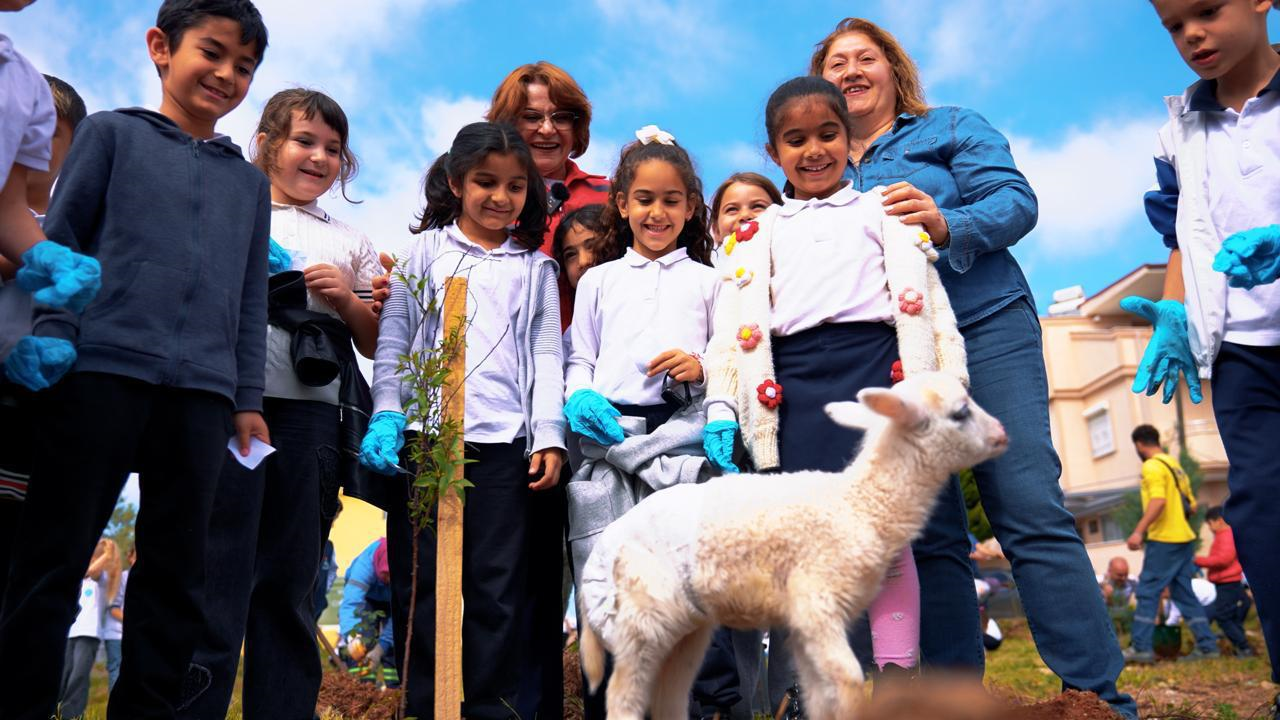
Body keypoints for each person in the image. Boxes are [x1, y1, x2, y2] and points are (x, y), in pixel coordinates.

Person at [810, 17, 1134, 718]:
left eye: (866, 57)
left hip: (985, 325)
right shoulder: (817, 165)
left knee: (1028, 505)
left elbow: (1016, 202)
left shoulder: (950, 128)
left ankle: (1097, 695)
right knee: (928, 533)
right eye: (836, 63)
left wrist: (946, 220)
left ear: (894, 70)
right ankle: (954, 702)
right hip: (896, 352)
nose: (852, 70)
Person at [0, 1, 271, 717]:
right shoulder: (110, 134)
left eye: (244, 66)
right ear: (160, 46)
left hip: (203, 397)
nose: (226, 74)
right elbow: (64, 237)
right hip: (99, 372)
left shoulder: (248, 183)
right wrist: (55, 329)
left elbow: (250, 299)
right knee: (52, 556)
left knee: (178, 575)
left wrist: (246, 398)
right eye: (210, 52)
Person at [702, 75, 963, 709]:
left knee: (886, 534)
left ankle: (897, 679)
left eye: (828, 135)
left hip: (878, 373)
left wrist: (948, 390)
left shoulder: (886, 211)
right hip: (791, 388)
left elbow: (934, 311)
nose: (814, 150)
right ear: (773, 153)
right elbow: (727, 338)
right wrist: (719, 405)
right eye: (796, 140)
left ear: (851, 141)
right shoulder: (755, 235)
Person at [181, 88, 381, 720]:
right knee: (216, 571)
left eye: (333, 149)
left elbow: (379, 340)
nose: (318, 157)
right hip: (227, 404)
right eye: (304, 141)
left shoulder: (349, 239)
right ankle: (192, 708)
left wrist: (347, 301)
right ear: (265, 143)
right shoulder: (228, 208)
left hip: (312, 419)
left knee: (292, 580)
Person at [361, 121, 565, 718]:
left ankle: (490, 709)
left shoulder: (536, 270)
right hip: (428, 441)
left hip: (505, 446)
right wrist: (389, 414)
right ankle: (425, 707)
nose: (500, 197)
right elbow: (395, 341)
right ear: (455, 182)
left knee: (496, 588)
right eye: (484, 182)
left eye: (515, 186)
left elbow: (548, 356)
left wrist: (548, 434)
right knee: (423, 585)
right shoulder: (422, 255)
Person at [1136, 1, 1280, 711]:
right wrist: (1172, 310)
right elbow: (1180, 237)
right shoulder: (1177, 132)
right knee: (1263, 509)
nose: (1191, 34)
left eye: (1206, 10)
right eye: (1172, 25)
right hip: (1245, 350)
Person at [562, 127, 725, 718]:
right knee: (609, 594)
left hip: (680, 442)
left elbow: (728, 357)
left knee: (687, 591)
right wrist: (580, 396)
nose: (658, 212)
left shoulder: (711, 282)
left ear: (690, 208)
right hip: (607, 443)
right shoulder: (601, 280)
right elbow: (579, 357)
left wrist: (701, 365)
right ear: (623, 204)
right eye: (645, 199)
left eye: (672, 200)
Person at [486, 63, 606, 718]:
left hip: (602, 415)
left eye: (560, 115)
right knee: (527, 583)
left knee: (606, 580)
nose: (546, 127)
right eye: (531, 115)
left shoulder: (611, 196)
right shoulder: (488, 199)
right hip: (514, 417)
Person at [0, 73, 86, 606]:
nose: (30, 140)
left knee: (25, 554)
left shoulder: (74, 224)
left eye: (47, 131)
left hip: (43, 411)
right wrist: (26, 256)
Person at [0, 3, 99, 305]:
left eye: (41, 133)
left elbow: (7, 208)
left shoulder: (19, 78)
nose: (21, 141)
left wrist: (47, 257)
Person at [1123, 424, 1219, 663]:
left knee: (1147, 591)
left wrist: (1138, 532)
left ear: (1139, 444)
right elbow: (1193, 505)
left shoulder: (1152, 466)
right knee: (1183, 593)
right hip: (1184, 538)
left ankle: (1141, 648)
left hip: (1164, 539)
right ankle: (1208, 647)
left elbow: (1158, 502)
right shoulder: (1176, 467)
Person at [59, 539, 120, 720]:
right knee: (63, 675)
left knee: (78, 676)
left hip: (89, 634)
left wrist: (108, 554)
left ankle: (72, 715)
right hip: (70, 632)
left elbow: (92, 571)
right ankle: (55, 711)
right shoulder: (82, 579)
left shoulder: (101, 579)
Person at [1196, 506, 1255, 656]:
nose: (1209, 527)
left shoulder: (1226, 536)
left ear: (1219, 520)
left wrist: (1198, 560)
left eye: (1210, 523)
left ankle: (1244, 647)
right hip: (1226, 583)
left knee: (1223, 616)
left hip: (1227, 584)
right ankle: (1241, 645)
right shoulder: (1224, 536)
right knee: (1230, 616)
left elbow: (1224, 559)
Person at [338, 538, 394, 671]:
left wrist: (381, 648)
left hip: (393, 600)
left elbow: (401, 616)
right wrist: (353, 638)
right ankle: (360, 684)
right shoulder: (363, 567)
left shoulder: (405, 572)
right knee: (364, 638)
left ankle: (394, 688)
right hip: (367, 598)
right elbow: (352, 604)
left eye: (392, 575)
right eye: (385, 574)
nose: (388, 579)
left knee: (395, 645)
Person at [708, 172, 783, 264]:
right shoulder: (709, 276)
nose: (745, 215)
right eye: (732, 209)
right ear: (716, 230)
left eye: (757, 206)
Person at [104, 544, 136, 689]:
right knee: (116, 672)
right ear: (129, 556)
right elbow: (113, 608)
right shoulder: (121, 578)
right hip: (116, 635)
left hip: (135, 635)